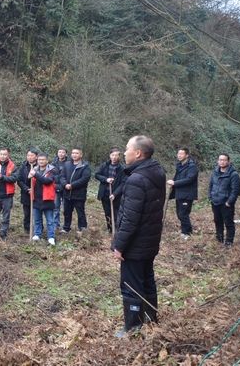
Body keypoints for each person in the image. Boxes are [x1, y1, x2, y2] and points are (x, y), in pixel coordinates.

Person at [112, 135, 166, 337]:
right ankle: (151, 319)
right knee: (147, 280)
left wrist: (119, 245)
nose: (124, 152)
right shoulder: (157, 172)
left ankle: (133, 327)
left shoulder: (136, 179)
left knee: (131, 285)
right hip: (150, 241)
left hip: (136, 244)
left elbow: (130, 219)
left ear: (138, 153)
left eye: (127, 149)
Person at [208, 153, 240, 248]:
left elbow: (235, 191)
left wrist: (229, 202)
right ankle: (219, 238)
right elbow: (211, 185)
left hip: (226, 203)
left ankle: (229, 241)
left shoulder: (233, 175)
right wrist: (210, 197)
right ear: (218, 161)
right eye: (220, 160)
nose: (222, 162)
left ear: (228, 161)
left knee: (229, 223)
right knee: (218, 221)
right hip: (215, 201)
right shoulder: (215, 173)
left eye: (224, 160)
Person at [167, 147, 198, 239]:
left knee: (183, 214)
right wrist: (173, 183)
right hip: (179, 193)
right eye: (178, 154)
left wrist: (175, 183)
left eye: (181, 154)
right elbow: (178, 178)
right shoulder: (179, 165)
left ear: (187, 155)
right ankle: (184, 231)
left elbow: (189, 179)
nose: (179, 155)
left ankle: (187, 232)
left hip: (187, 194)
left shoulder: (192, 166)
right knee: (179, 214)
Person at [94, 149, 128, 234]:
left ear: (119, 156)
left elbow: (123, 183)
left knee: (117, 213)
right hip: (105, 194)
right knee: (107, 213)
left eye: (116, 155)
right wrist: (106, 179)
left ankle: (118, 231)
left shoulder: (122, 169)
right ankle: (110, 229)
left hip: (116, 195)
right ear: (110, 156)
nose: (114, 157)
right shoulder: (105, 165)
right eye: (113, 155)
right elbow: (97, 175)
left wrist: (115, 194)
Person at [60, 148, 92, 233]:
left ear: (81, 155)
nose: (74, 155)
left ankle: (82, 229)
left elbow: (84, 179)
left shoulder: (85, 166)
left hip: (79, 194)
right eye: (73, 153)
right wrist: (65, 184)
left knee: (80, 213)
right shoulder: (67, 164)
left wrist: (72, 185)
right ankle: (66, 228)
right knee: (66, 212)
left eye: (76, 153)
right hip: (67, 193)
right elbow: (62, 176)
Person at [29, 153, 58, 245]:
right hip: (36, 198)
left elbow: (47, 181)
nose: (41, 161)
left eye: (43, 160)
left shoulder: (52, 170)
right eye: (39, 160)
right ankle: (37, 234)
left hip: (47, 199)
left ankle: (51, 237)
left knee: (50, 220)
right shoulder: (34, 169)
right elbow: (29, 181)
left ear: (47, 160)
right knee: (37, 219)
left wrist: (35, 175)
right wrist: (29, 177)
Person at [17, 149, 39, 235]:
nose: (30, 157)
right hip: (26, 193)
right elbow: (19, 180)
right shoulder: (23, 166)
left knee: (37, 212)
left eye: (32, 155)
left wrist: (35, 189)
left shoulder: (39, 166)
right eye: (28, 155)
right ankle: (27, 228)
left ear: (36, 157)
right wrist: (27, 189)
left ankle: (37, 229)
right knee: (27, 213)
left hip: (37, 193)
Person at [52, 147, 71, 230]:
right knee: (55, 207)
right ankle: (56, 225)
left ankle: (66, 226)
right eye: (59, 152)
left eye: (63, 152)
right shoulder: (54, 163)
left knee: (66, 208)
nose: (61, 154)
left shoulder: (70, 163)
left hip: (65, 188)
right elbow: (51, 175)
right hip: (55, 188)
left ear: (66, 154)